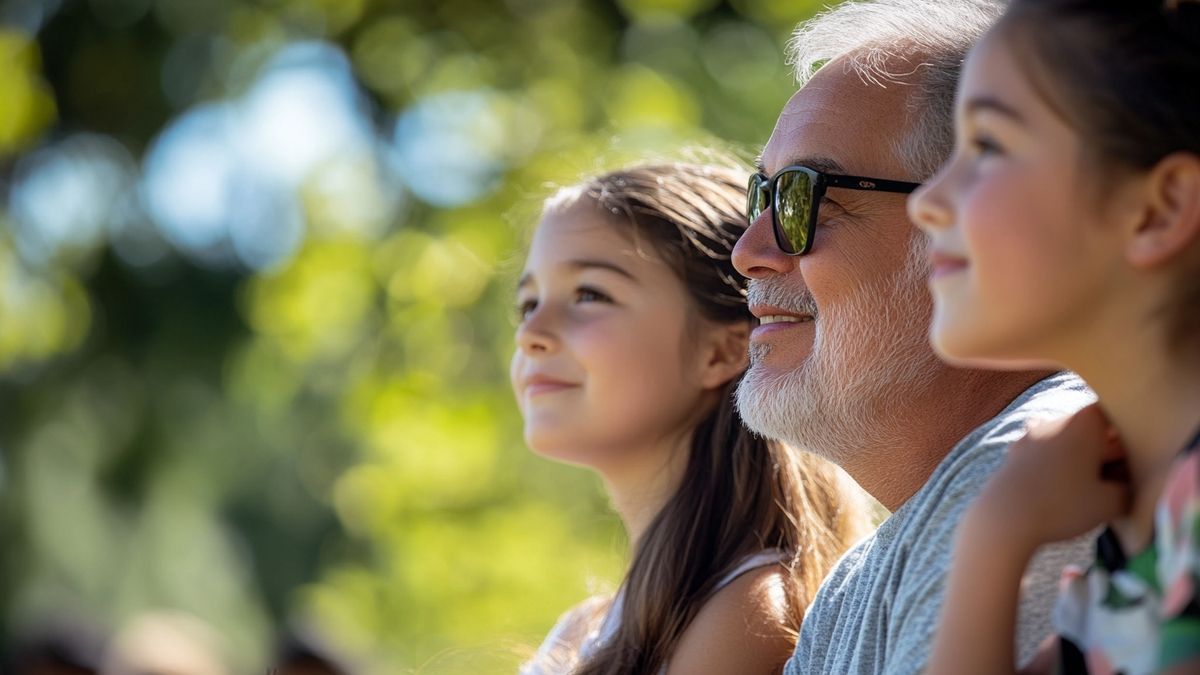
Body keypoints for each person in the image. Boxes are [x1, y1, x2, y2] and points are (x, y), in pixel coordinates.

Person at [730, 1, 1096, 672]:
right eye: (763, 197)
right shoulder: (855, 580)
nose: (748, 251)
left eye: (804, 198)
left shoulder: (1035, 462)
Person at [907, 1, 1200, 673]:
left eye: (987, 145)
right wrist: (997, 532)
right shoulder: (1132, 530)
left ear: (1159, 209)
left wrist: (993, 540)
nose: (928, 198)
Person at [511, 162, 872, 675]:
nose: (532, 333)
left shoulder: (746, 614)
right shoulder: (584, 627)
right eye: (527, 303)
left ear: (720, 352)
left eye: (590, 294)